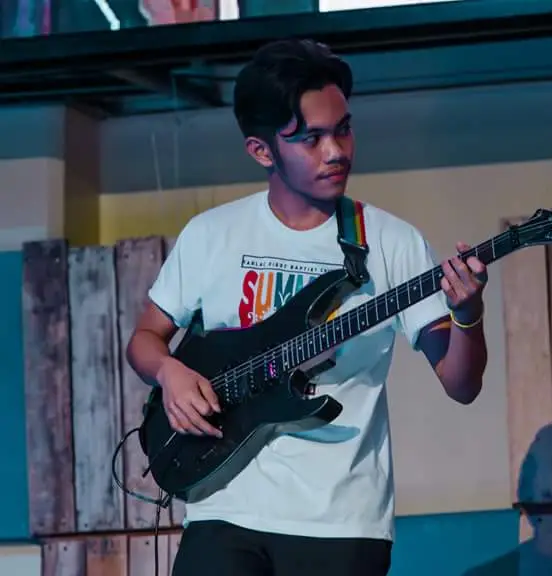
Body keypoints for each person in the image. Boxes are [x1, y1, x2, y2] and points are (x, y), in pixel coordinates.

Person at [126, 38, 489, 576]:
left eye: (343, 129)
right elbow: (144, 340)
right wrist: (170, 372)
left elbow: (462, 384)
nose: (336, 151)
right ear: (262, 151)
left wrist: (468, 314)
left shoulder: (390, 241)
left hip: (341, 522)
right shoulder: (212, 234)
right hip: (224, 508)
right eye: (311, 138)